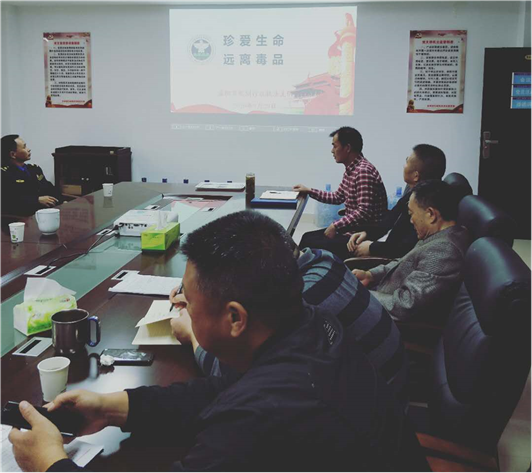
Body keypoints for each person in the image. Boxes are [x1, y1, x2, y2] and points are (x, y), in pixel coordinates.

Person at [9, 211, 411, 473]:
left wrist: (50, 464)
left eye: (189, 300)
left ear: (235, 318)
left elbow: (241, 409)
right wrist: (112, 407)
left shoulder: (259, 419)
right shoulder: (310, 325)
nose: (182, 307)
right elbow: (222, 391)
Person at [170, 246, 408, 408]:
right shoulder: (321, 258)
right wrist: (200, 295)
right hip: (376, 393)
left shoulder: (300, 305)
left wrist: (191, 332)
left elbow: (233, 378)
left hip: (375, 413)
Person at [353, 180, 469, 324]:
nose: (411, 220)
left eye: (411, 213)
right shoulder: (439, 235)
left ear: (431, 214)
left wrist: (359, 295)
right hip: (382, 296)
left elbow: (405, 305)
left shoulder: (444, 252)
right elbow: (404, 261)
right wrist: (370, 275)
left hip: (386, 320)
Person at [294, 126, 387, 258]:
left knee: (309, 243)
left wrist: (335, 226)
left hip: (358, 236)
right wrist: (309, 190)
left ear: (347, 148)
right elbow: (337, 197)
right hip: (351, 230)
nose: (332, 151)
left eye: (335, 146)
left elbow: (364, 211)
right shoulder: (352, 169)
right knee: (307, 237)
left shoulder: (363, 172)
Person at [347, 144, 447, 260]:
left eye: (407, 161)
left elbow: (406, 247)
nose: (404, 166)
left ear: (416, 176)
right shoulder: (412, 192)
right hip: (380, 243)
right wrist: (367, 233)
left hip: (384, 257)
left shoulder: (422, 204)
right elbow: (389, 221)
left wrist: (371, 248)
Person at [0, 134, 62, 216]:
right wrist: (37, 200)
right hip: (21, 217)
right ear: (13, 154)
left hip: (44, 212)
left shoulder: (34, 169)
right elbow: (9, 201)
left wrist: (62, 201)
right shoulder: (4, 174)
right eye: (24, 147)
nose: (28, 149)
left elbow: (48, 187)